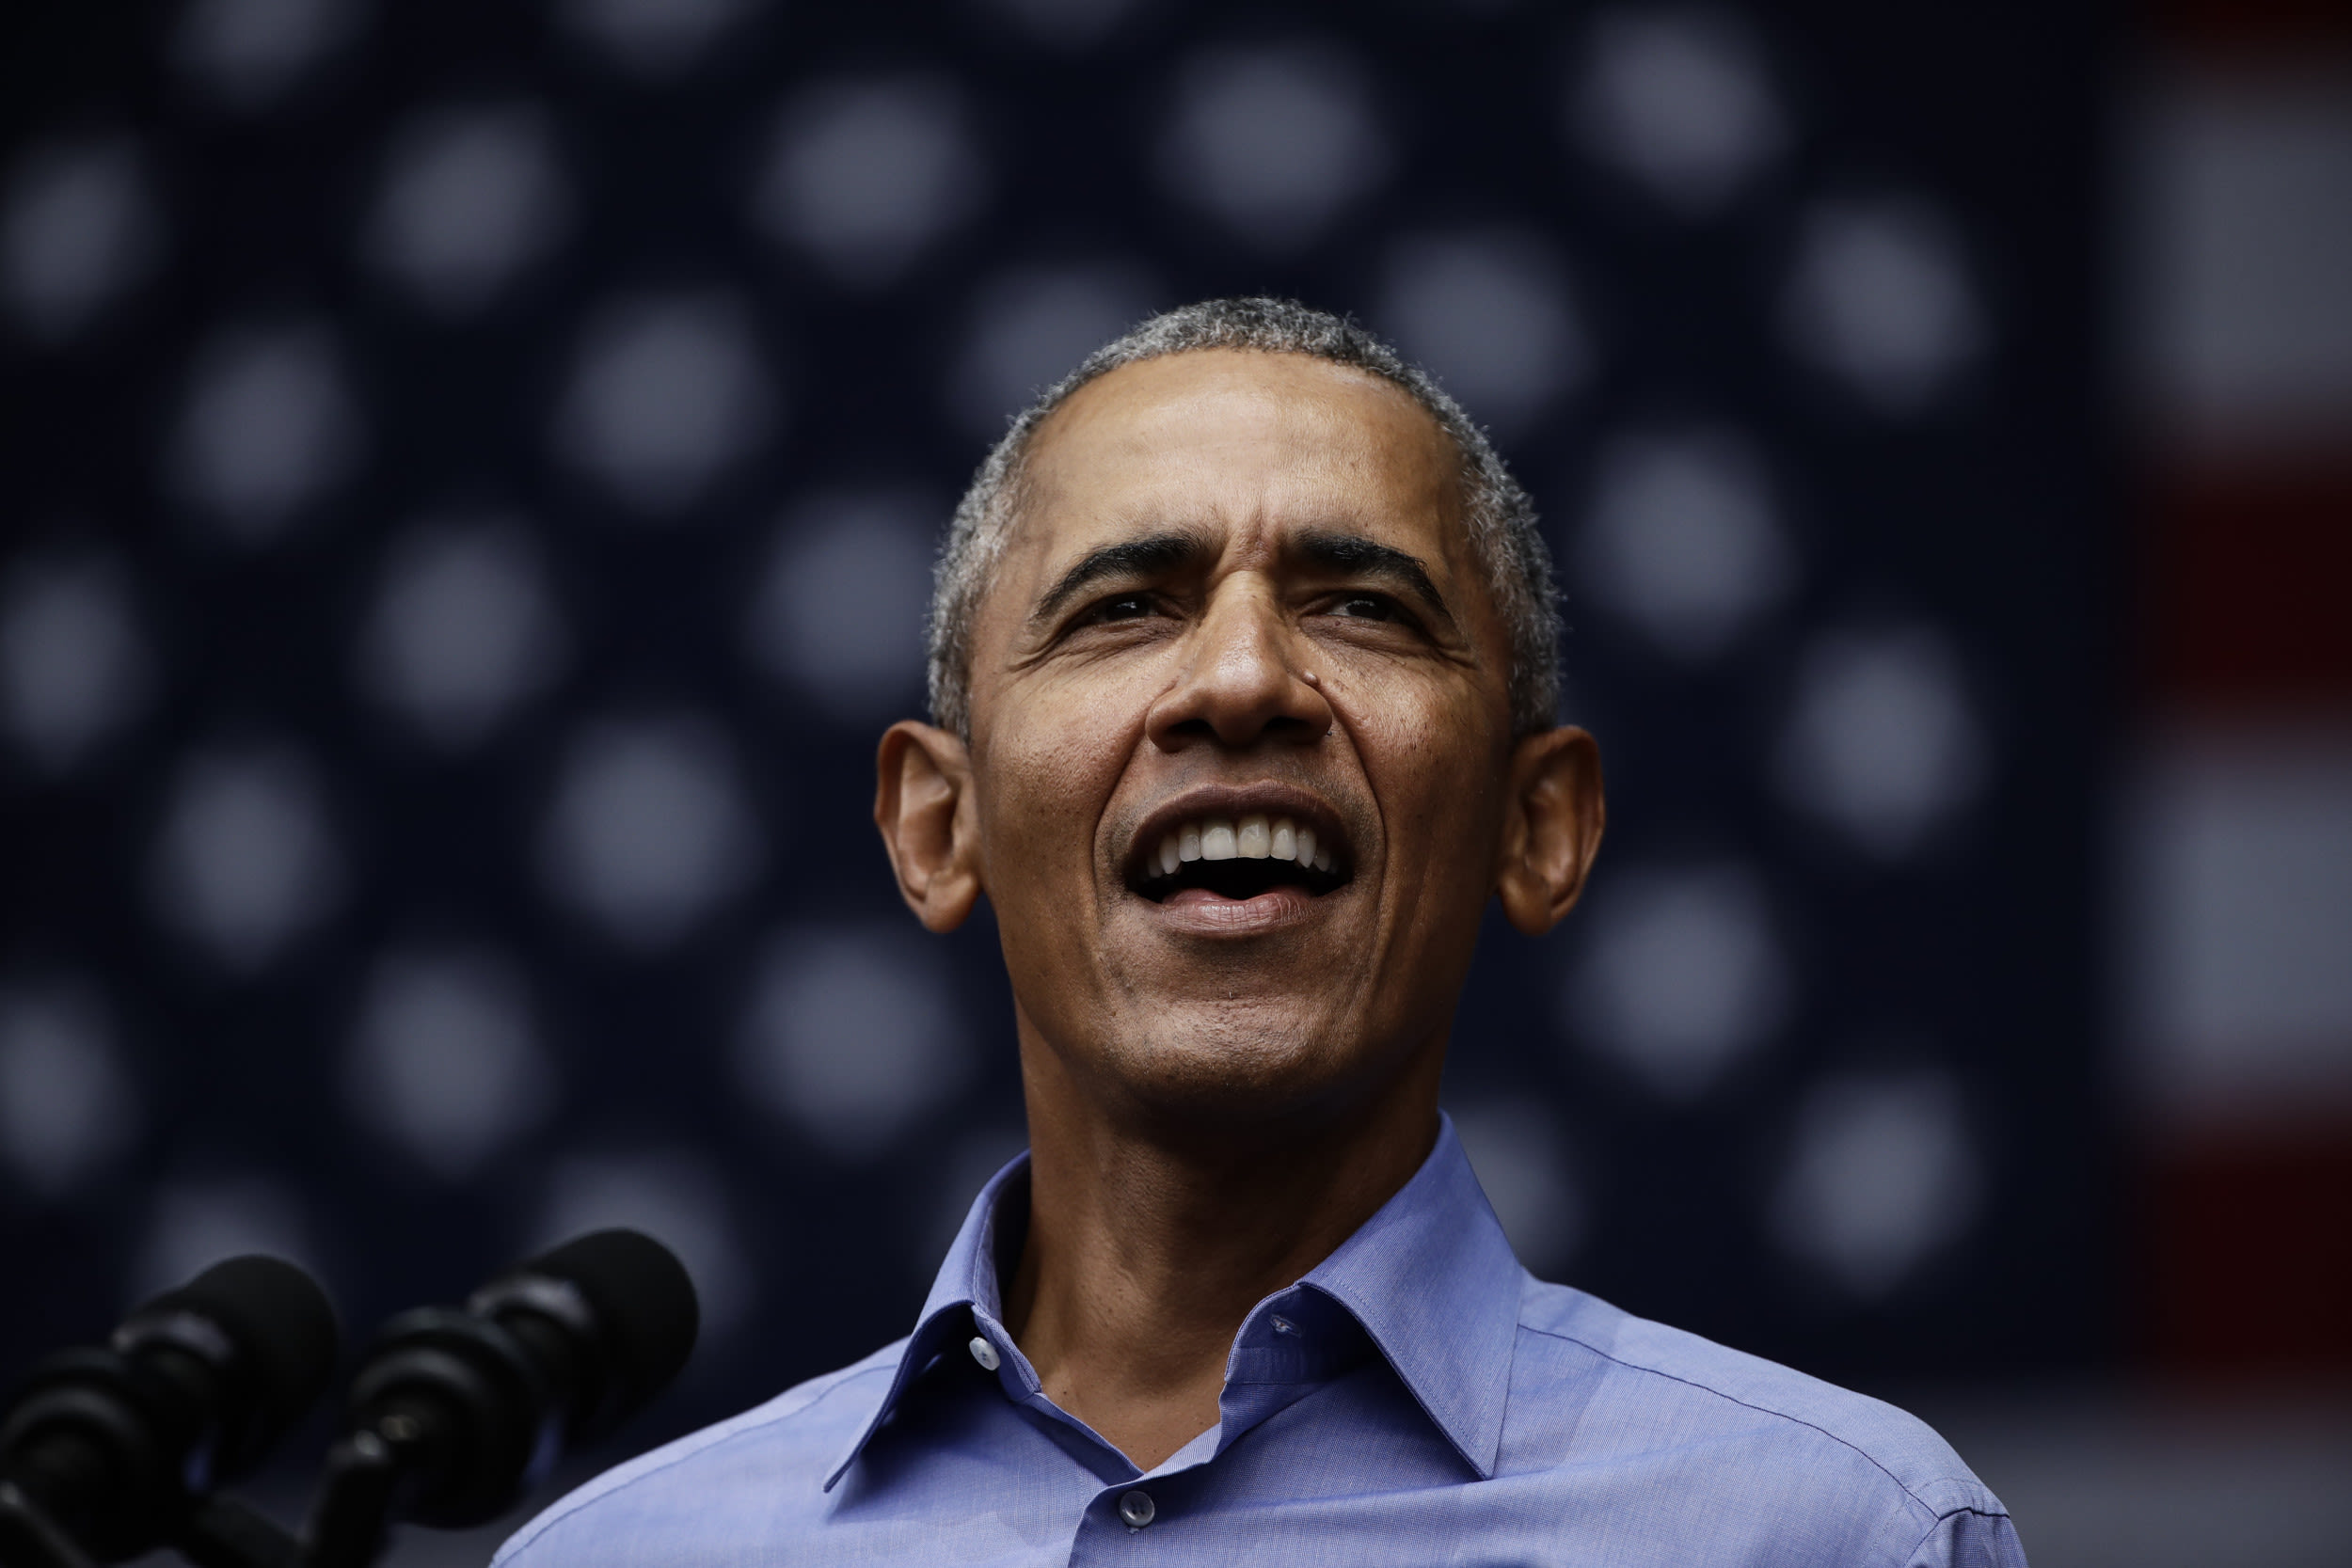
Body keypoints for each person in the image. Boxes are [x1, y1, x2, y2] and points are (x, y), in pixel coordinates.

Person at [494, 298, 2026, 1566]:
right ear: (936, 825)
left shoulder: (1844, 1539)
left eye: (1363, 606)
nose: (1243, 678)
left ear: (1535, 824)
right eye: (1123, 608)